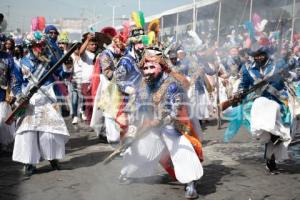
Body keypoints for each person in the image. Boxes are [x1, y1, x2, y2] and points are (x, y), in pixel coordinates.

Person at [119, 47, 204, 199]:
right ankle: (128, 172)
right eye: (145, 68)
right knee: (137, 147)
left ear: (161, 67)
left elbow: (175, 112)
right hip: (151, 128)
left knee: (179, 147)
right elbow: (135, 112)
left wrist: (158, 122)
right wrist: (131, 134)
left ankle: (190, 183)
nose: (148, 71)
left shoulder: (172, 85)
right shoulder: (142, 87)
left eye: (152, 67)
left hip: (173, 127)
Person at [12, 32, 72, 176]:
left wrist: (67, 65)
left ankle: (53, 158)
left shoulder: (49, 60)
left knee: (50, 132)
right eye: (37, 46)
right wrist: (20, 95)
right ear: (30, 47)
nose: (41, 48)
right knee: (29, 133)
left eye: (42, 45)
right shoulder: (20, 63)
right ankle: (29, 162)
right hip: (30, 100)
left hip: (48, 98)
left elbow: (62, 74)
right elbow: (16, 83)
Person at [238, 47, 294, 174]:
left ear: (266, 54)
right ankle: (271, 154)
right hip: (258, 103)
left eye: (261, 55)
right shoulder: (248, 69)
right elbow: (243, 85)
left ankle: (270, 159)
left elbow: (291, 76)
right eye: (256, 55)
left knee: (275, 133)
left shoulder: (278, 64)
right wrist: (239, 93)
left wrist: (286, 72)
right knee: (261, 105)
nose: (258, 58)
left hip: (277, 101)